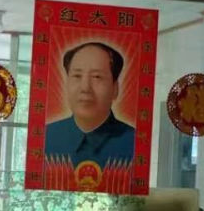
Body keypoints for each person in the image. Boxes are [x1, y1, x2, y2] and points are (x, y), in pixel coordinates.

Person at [44, 41, 136, 169]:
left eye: (97, 77)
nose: (85, 88)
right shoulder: (46, 137)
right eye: (77, 76)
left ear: (115, 88)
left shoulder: (134, 142)